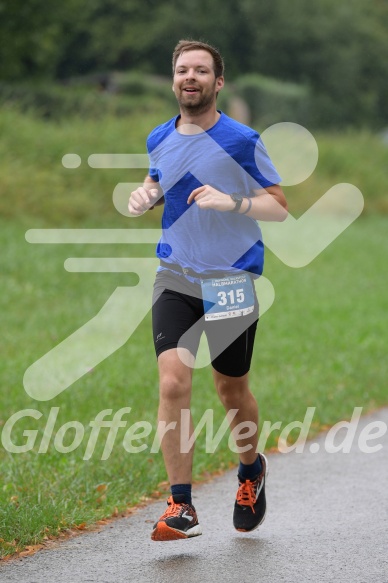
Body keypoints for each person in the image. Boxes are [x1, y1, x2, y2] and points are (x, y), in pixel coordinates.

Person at [128, 39, 288, 541]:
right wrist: (146, 194)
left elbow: (278, 205)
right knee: (173, 382)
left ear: (218, 83)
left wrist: (233, 203)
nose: (189, 77)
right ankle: (181, 506)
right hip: (175, 274)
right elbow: (160, 179)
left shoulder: (242, 140)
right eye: (182, 70)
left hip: (232, 278)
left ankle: (250, 471)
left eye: (201, 70)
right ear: (174, 80)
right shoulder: (159, 136)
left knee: (229, 386)